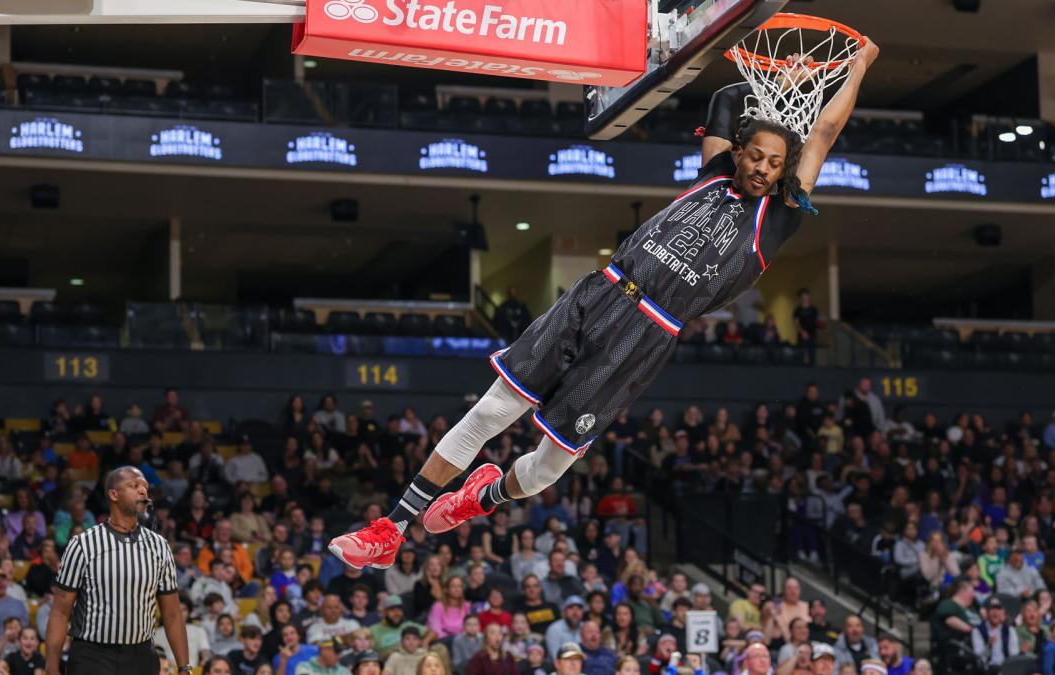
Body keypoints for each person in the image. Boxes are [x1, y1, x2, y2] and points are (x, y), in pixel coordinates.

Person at [329, 38, 883, 567]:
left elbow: (824, 130)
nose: (762, 167)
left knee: (548, 467)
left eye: (774, 163)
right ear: (739, 153)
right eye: (755, 156)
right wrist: (777, 85)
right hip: (601, 293)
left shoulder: (779, 216)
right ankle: (392, 529)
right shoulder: (715, 173)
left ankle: (484, 496)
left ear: (783, 171)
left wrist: (857, 65)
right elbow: (724, 99)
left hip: (646, 333)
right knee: (492, 411)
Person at [46, 467, 190, 675]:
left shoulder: (159, 546)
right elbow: (60, 611)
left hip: (141, 656)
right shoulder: (83, 544)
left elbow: (173, 614)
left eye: (145, 487)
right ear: (113, 495)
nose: (143, 491)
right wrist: (51, 667)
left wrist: (185, 667)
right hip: (92, 655)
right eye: (134, 486)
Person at [970, 597, 1018, 671]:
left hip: (1006, 669)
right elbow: (978, 659)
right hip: (987, 670)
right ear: (986, 612)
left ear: (1003, 612)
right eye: (992, 609)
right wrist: (988, 646)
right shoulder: (978, 631)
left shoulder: (1010, 630)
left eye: (998, 609)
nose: (995, 613)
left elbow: (1014, 655)